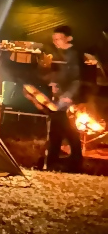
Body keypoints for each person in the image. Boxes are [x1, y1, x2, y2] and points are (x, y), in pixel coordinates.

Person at [46, 25, 83, 172]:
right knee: (58, 128)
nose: (56, 42)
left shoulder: (74, 55)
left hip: (68, 97)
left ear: (69, 38)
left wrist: (69, 95)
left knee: (64, 127)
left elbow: (77, 78)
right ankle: (55, 160)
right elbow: (57, 73)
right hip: (59, 95)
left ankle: (73, 159)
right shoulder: (58, 53)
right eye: (54, 39)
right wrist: (53, 83)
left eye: (59, 39)